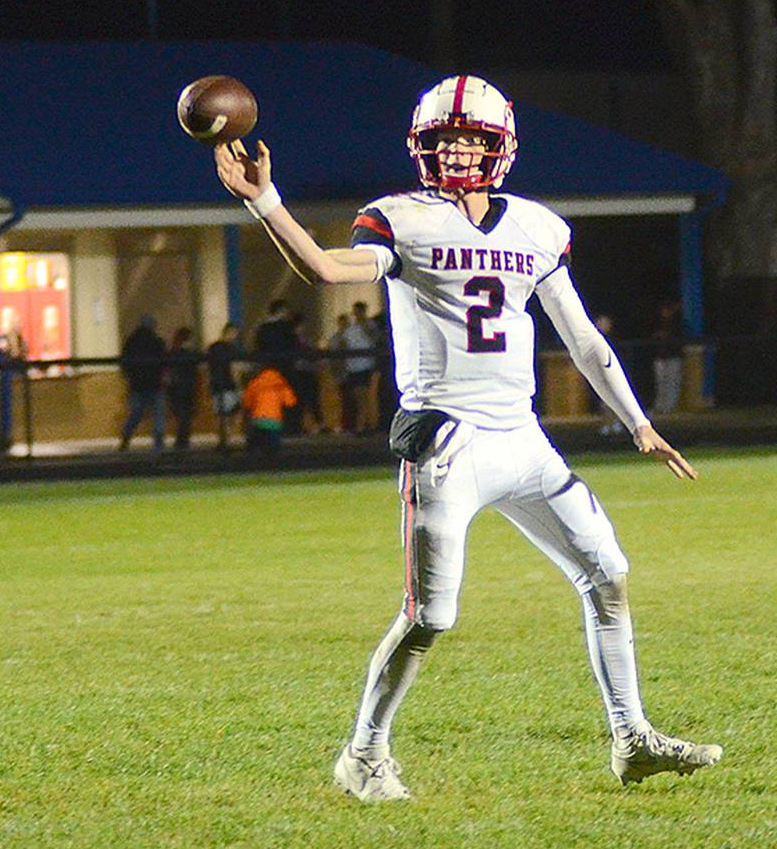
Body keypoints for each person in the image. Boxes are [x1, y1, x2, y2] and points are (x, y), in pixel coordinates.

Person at [214, 73, 721, 803]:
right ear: (422, 147)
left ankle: (631, 736)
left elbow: (582, 340)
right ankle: (363, 752)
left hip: (524, 437)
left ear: (500, 147)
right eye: (444, 140)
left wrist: (639, 422)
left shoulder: (537, 227)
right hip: (447, 441)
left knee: (607, 574)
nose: (455, 152)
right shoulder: (401, 217)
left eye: (470, 139)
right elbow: (325, 269)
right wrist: (265, 202)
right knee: (431, 618)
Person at [117, 314, 166, 451]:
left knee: (136, 413)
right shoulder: (157, 341)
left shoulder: (131, 341)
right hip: (155, 384)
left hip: (137, 384)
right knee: (158, 414)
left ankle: (126, 438)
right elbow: (163, 361)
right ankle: (158, 445)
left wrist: (129, 377)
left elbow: (125, 363)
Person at [334, 300, 380, 433]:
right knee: (357, 396)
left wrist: (364, 324)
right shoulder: (350, 328)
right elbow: (343, 344)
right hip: (352, 366)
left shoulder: (370, 325)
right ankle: (362, 422)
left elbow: (373, 339)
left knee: (364, 395)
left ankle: (366, 423)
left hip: (366, 364)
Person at [241, 360, 296, 459]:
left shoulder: (255, 383)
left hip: (258, 420)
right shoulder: (280, 384)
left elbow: (247, 403)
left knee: (254, 448)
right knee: (273, 452)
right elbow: (290, 402)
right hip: (275, 421)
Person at [206, 323, 242, 449]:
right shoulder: (231, 348)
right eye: (235, 333)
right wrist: (239, 386)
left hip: (216, 385)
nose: (236, 336)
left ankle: (222, 439)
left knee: (220, 415)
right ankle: (227, 439)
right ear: (230, 332)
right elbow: (234, 368)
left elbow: (209, 368)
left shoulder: (212, 347)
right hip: (229, 385)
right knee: (233, 412)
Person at [164, 326, 201, 450]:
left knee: (181, 416)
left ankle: (181, 441)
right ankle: (182, 441)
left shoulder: (172, 352)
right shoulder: (190, 353)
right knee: (186, 416)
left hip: (176, 387)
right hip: (187, 386)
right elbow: (195, 368)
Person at [651, 299, 684, 414]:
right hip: (661, 356)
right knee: (661, 382)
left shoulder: (677, 323)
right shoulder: (659, 322)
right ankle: (660, 406)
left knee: (672, 382)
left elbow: (678, 338)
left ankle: (670, 406)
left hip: (673, 356)